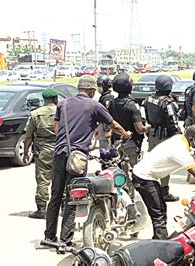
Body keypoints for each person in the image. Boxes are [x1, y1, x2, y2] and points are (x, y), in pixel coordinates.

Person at [44, 75, 133, 245]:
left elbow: (57, 128)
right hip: (77, 157)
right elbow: (113, 125)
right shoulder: (94, 105)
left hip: (59, 153)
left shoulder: (63, 104)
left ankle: (49, 236)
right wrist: (125, 133)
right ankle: (66, 239)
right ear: (92, 90)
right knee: (73, 197)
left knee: (55, 195)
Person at [132, 125, 195, 239]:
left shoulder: (181, 139)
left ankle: (159, 240)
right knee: (159, 214)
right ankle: (161, 246)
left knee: (161, 210)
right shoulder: (180, 150)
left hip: (148, 176)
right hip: (144, 177)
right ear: (191, 139)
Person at [144, 75, 182, 202]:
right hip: (164, 137)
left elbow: (147, 117)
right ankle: (164, 191)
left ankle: (152, 190)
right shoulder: (167, 103)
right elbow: (173, 122)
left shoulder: (148, 99)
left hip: (152, 134)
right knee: (165, 164)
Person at [23, 88, 58, 219]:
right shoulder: (62, 111)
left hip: (43, 150)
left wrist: (26, 152)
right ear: (55, 99)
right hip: (60, 148)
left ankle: (42, 209)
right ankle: (64, 205)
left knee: (43, 179)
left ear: (44, 99)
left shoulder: (35, 114)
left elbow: (28, 136)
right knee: (61, 177)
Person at [108, 73, 151, 166]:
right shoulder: (132, 104)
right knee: (133, 173)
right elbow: (140, 130)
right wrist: (148, 127)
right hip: (131, 143)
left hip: (116, 142)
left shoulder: (112, 103)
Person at [96, 75, 114, 150]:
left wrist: (108, 131)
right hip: (102, 125)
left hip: (105, 127)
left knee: (105, 149)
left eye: (100, 85)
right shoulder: (103, 97)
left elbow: (108, 115)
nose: (99, 88)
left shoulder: (107, 98)